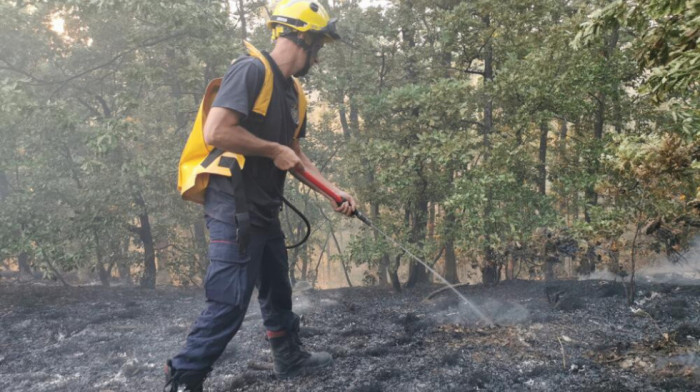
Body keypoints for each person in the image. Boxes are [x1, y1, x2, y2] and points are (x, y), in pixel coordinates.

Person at [165, 1, 355, 391]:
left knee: (276, 287)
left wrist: (334, 192)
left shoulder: (292, 93)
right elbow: (216, 131)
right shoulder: (250, 70)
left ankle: (289, 357)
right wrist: (271, 150)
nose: (317, 59)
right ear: (300, 37)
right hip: (231, 206)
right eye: (316, 46)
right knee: (229, 301)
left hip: (263, 207)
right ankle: (184, 377)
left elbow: (295, 153)